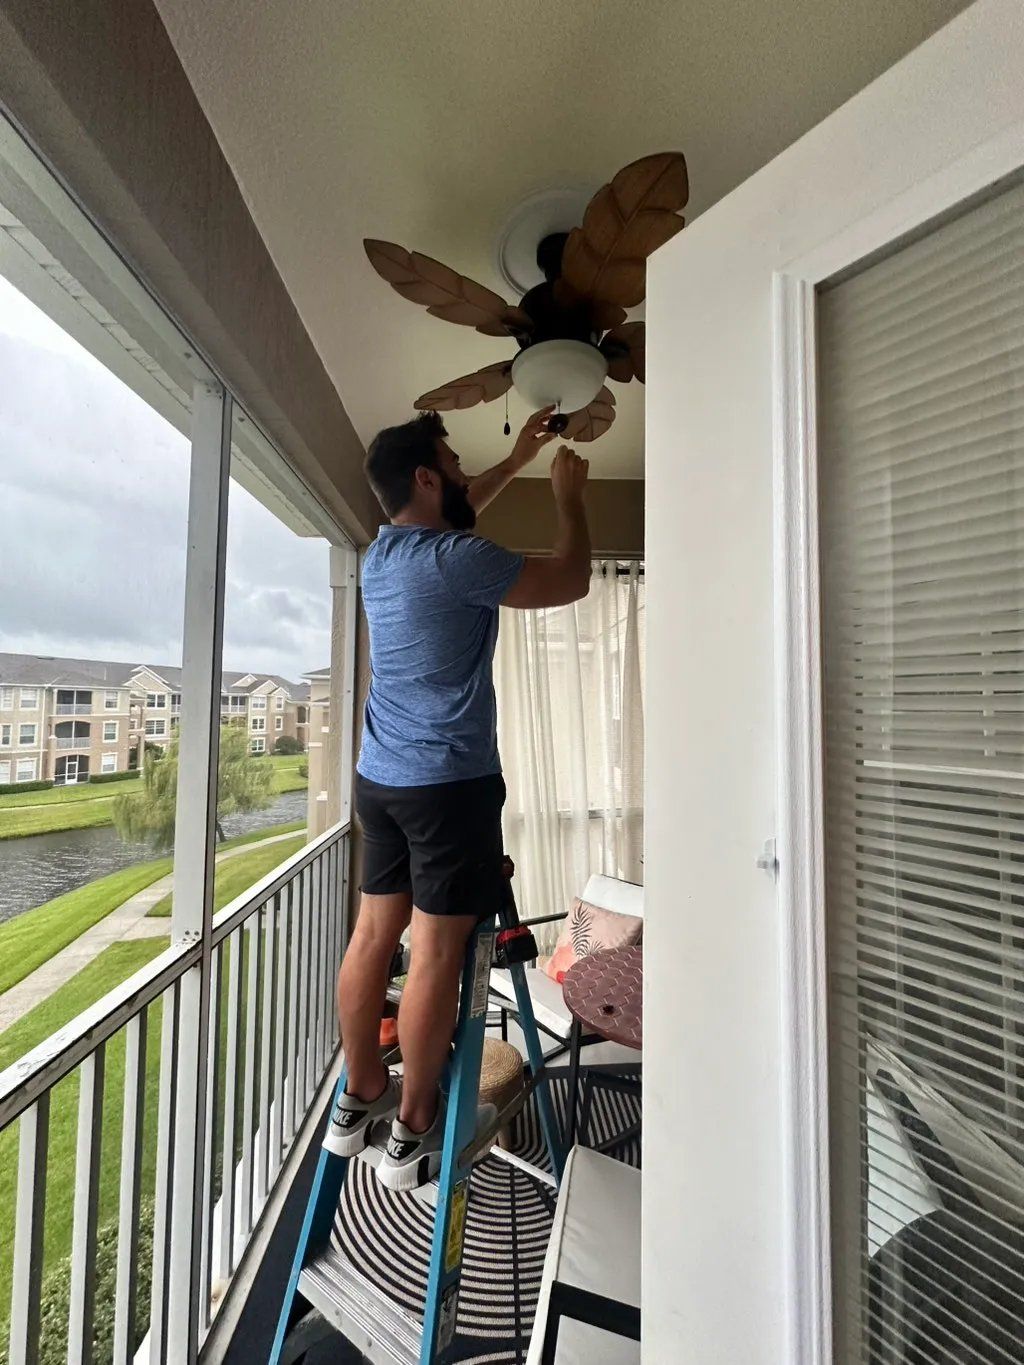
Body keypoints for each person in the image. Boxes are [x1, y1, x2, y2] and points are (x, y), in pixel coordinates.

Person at [323, 404, 591, 1190]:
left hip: (382, 781)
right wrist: (565, 493)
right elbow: (570, 578)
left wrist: (515, 456)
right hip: (448, 786)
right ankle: (413, 1124)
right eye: (454, 461)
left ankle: (360, 1093)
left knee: (375, 935)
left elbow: (457, 518)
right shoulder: (453, 560)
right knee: (437, 951)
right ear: (426, 475)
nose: (466, 471)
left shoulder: (384, 555)